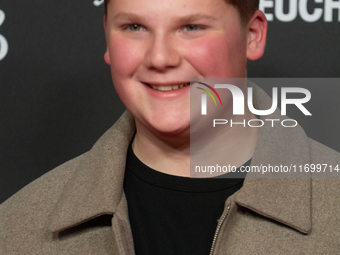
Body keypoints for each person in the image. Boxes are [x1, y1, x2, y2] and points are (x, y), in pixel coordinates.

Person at [0, 0, 339, 254]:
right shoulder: (18, 228)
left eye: (191, 27)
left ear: (252, 35)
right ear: (107, 36)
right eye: (134, 27)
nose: (160, 58)